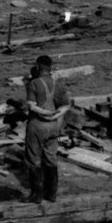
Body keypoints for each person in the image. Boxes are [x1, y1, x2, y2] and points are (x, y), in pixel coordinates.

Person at [21, 56, 65, 204]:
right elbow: (66, 105)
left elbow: (32, 106)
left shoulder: (34, 83)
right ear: (50, 67)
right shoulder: (57, 84)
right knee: (51, 158)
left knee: (33, 159)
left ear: (38, 67)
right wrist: (55, 116)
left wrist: (45, 114)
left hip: (37, 125)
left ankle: (36, 195)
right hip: (53, 126)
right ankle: (51, 194)